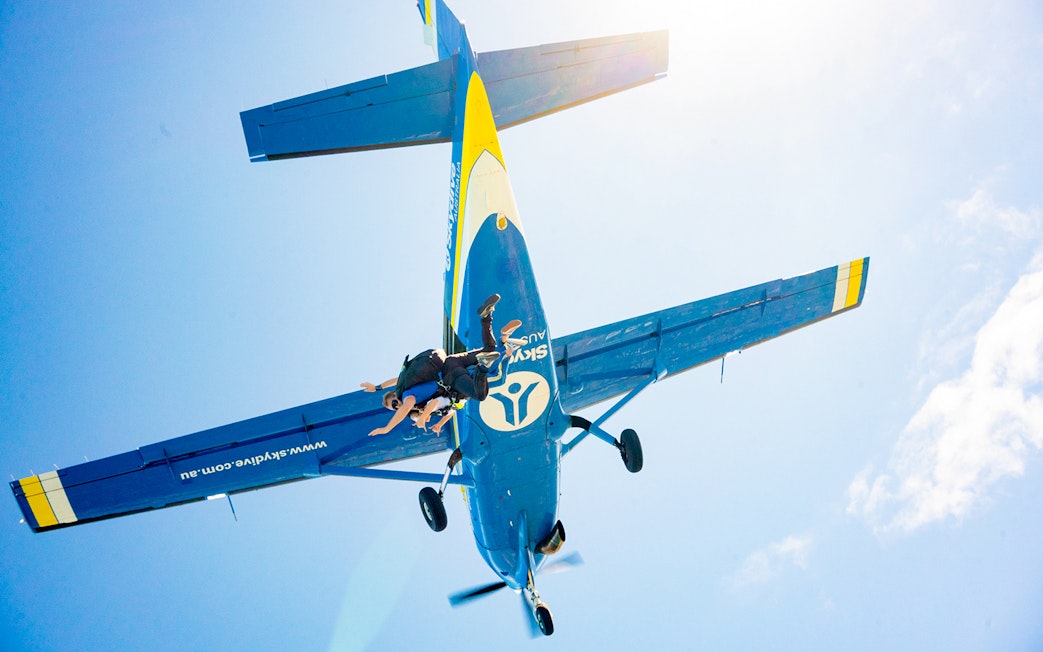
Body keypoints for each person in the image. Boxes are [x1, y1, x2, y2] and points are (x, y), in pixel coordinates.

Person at [364, 294, 522, 436]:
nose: (398, 408)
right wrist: (377, 388)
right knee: (490, 349)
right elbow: (396, 380)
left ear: (395, 397)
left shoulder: (407, 396)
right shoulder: (407, 385)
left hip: (450, 375)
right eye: (395, 408)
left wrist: (387, 428)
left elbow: (406, 407)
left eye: (394, 405)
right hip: (451, 361)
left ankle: (485, 363)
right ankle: (487, 316)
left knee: (480, 394)